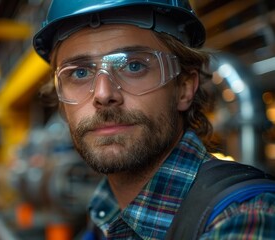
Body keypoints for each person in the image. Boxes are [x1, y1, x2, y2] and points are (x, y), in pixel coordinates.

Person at [33, 0, 275, 239]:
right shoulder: (105, 215)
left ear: (184, 88)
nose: (104, 94)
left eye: (134, 66)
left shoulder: (245, 217)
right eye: (80, 73)